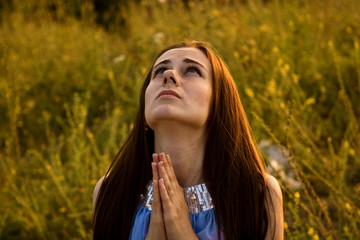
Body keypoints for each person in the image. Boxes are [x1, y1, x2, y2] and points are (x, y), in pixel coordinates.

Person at [93, 40, 284, 240]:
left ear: (219, 104)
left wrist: (182, 232)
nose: (169, 75)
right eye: (159, 71)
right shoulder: (109, 193)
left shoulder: (258, 195)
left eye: (192, 70)